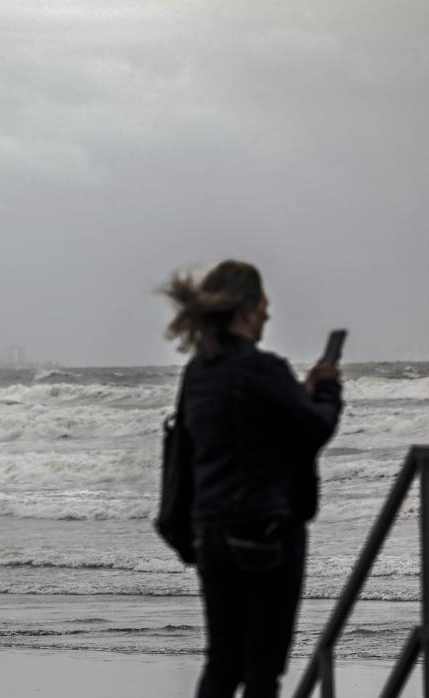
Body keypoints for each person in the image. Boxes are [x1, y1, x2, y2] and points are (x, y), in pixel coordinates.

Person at [160, 260, 342, 698]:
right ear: (245, 308)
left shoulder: (198, 372)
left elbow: (217, 436)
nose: (268, 315)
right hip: (266, 533)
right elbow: (314, 429)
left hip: (212, 532)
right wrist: (327, 389)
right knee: (262, 670)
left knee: (222, 663)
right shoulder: (261, 369)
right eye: (263, 305)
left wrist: (296, 394)